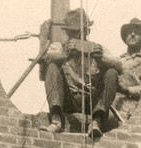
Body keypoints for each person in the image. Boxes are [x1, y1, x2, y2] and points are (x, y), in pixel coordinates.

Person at [40, 8, 122, 137]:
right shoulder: (60, 47)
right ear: (67, 32)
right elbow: (48, 58)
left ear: (87, 31)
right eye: (73, 33)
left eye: (80, 32)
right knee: (52, 67)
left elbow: (118, 65)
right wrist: (65, 55)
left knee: (111, 72)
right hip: (69, 98)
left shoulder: (97, 48)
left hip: (91, 99)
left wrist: (102, 59)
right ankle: (56, 120)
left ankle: (96, 121)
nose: (77, 36)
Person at [115, 18, 141, 122]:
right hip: (110, 101)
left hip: (129, 104)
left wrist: (126, 89)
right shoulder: (116, 61)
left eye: (137, 33)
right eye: (129, 32)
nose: (132, 35)